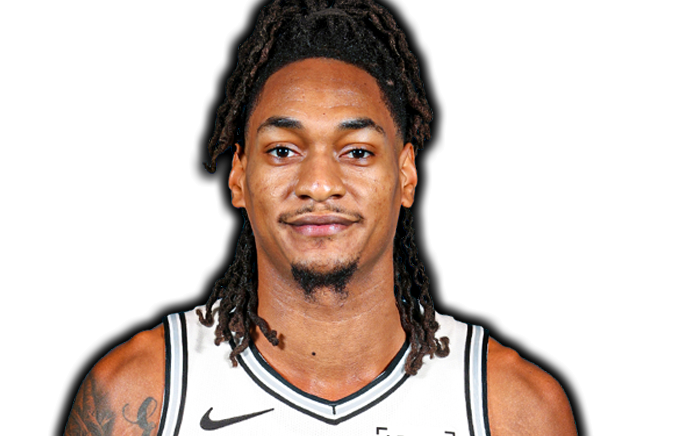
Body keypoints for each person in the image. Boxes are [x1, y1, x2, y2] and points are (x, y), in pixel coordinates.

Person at [65, 1, 576, 434]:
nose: (318, 184)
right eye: (283, 150)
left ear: (407, 175)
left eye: (357, 152)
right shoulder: (139, 395)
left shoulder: (512, 409)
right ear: (238, 177)